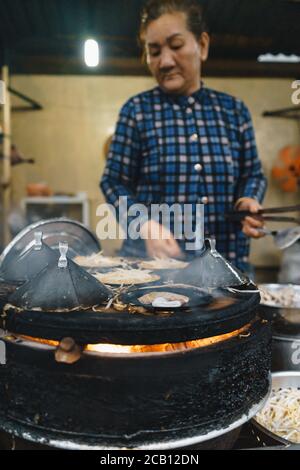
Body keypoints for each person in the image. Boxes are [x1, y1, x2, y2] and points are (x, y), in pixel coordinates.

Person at [100, 0, 267, 273]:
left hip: (225, 268)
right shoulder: (137, 110)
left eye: (176, 46)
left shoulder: (234, 111)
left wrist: (247, 200)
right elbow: (113, 182)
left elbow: (253, 175)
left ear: (202, 45)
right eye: (154, 52)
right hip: (155, 272)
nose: (164, 61)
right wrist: (144, 224)